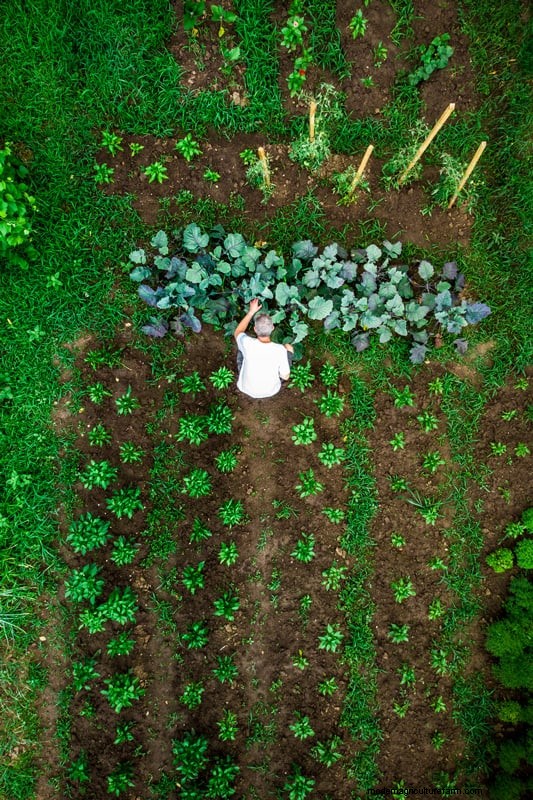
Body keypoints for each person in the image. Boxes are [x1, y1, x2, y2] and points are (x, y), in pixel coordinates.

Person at [234, 299, 294, 399]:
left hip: (245, 387)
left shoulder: (247, 343)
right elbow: (285, 377)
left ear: (255, 329)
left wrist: (251, 311)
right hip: (271, 391)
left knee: (240, 345)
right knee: (289, 347)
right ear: (273, 328)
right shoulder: (280, 350)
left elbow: (238, 332)